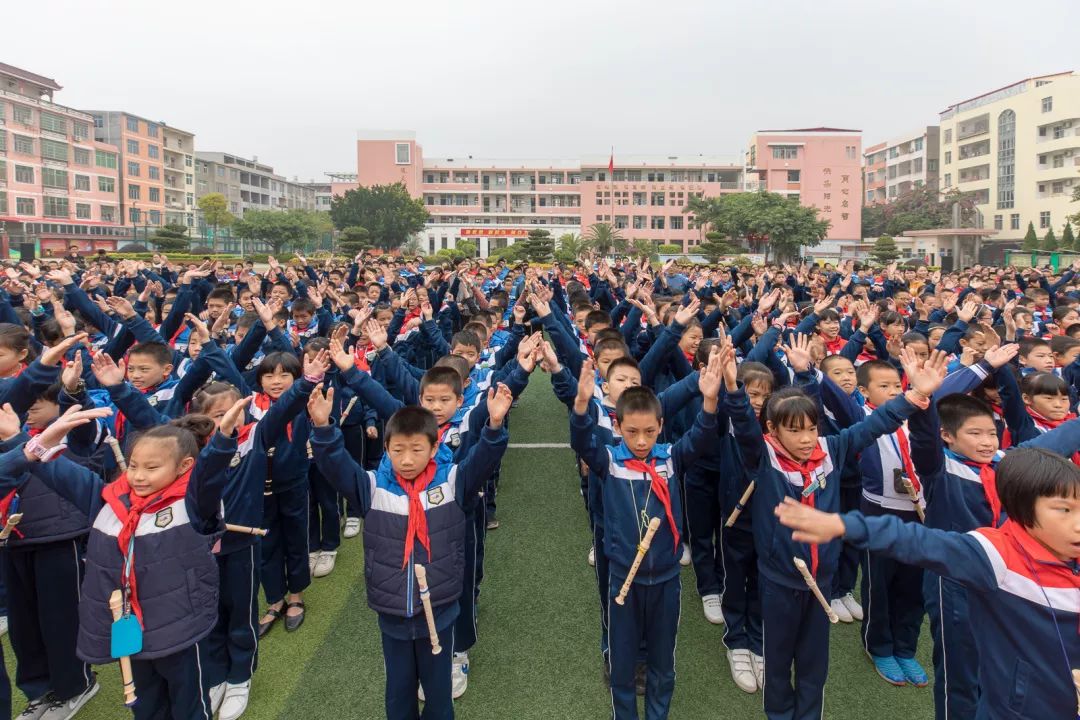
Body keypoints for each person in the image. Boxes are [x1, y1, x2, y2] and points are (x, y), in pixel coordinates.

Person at [724, 345, 948, 720]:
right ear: (772, 431)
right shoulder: (762, 457)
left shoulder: (832, 449)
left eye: (811, 428)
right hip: (779, 581)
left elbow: (875, 424)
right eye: (794, 431)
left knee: (814, 667)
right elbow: (744, 427)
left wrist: (917, 395)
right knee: (778, 665)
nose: (807, 438)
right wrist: (733, 387)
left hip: (822, 581)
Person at [775, 446, 1080, 720]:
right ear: (1023, 509)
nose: (1077, 522)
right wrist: (843, 524)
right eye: (1064, 510)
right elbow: (918, 540)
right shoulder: (998, 556)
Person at [0, 399, 242, 720]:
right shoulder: (106, 500)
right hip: (132, 631)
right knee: (146, 705)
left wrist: (223, 443)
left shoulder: (195, 505)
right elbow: (54, 470)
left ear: (184, 467)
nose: (139, 476)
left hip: (180, 631)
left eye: (152, 468)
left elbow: (209, 477)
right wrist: (20, 439)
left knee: (189, 705)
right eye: (134, 465)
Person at [307, 382, 513, 720]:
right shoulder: (372, 488)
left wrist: (494, 425)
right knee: (399, 694)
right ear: (385, 447)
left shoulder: (452, 482)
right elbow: (337, 467)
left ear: (434, 448)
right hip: (392, 613)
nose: (406, 459)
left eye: (417, 449)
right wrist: (323, 429)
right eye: (398, 449)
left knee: (439, 695)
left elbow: (483, 462)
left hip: (442, 609)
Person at [570, 350, 723, 720]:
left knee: (662, 663)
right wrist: (580, 404)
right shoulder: (609, 461)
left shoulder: (671, 457)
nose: (641, 441)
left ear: (661, 425)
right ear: (618, 426)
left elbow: (701, 436)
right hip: (623, 576)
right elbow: (582, 443)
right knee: (622, 665)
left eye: (650, 432)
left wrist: (710, 399)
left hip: (667, 579)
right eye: (632, 432)